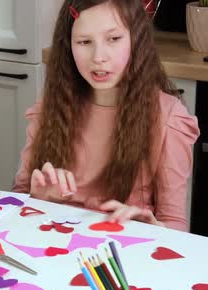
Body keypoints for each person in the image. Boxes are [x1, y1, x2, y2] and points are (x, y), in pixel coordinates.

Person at [12, 0, 199, 231]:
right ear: (69, 46)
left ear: (137, 40)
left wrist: (156, 229)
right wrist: (38, 199)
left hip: (126, 257)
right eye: (84, 42)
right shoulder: (48, 111)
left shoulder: (169, 119)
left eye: (113, 39)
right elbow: (17, 197)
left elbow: (176, 224)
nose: (98, 56)